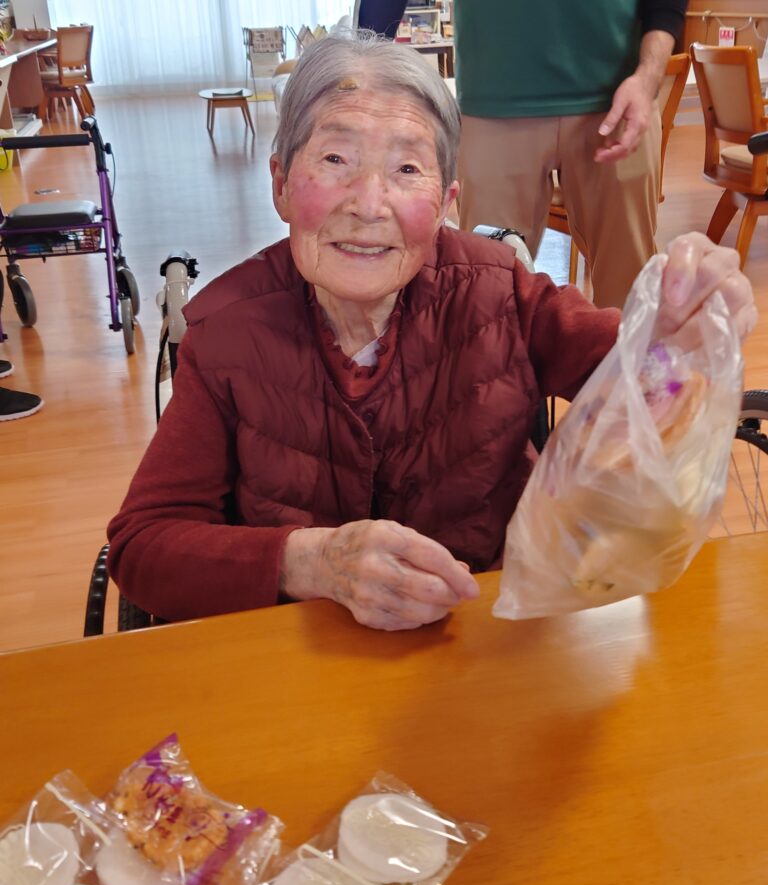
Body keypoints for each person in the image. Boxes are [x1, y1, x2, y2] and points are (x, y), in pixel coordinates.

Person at [107, 32, 755, 633]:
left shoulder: (500, 289)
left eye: (407, 169)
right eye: (335, 158)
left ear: (447, 202)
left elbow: (643, 371)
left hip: (491, 636)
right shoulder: (227, 330)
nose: (369, 204)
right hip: (302, 656)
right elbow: (142, 546)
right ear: (280, 184)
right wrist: (312, 562)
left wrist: (688, 334)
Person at [454, 1, 688, 309]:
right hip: (492, 101)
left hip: (616, 101)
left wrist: (648, 77)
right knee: (486, 297)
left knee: (630, 298)